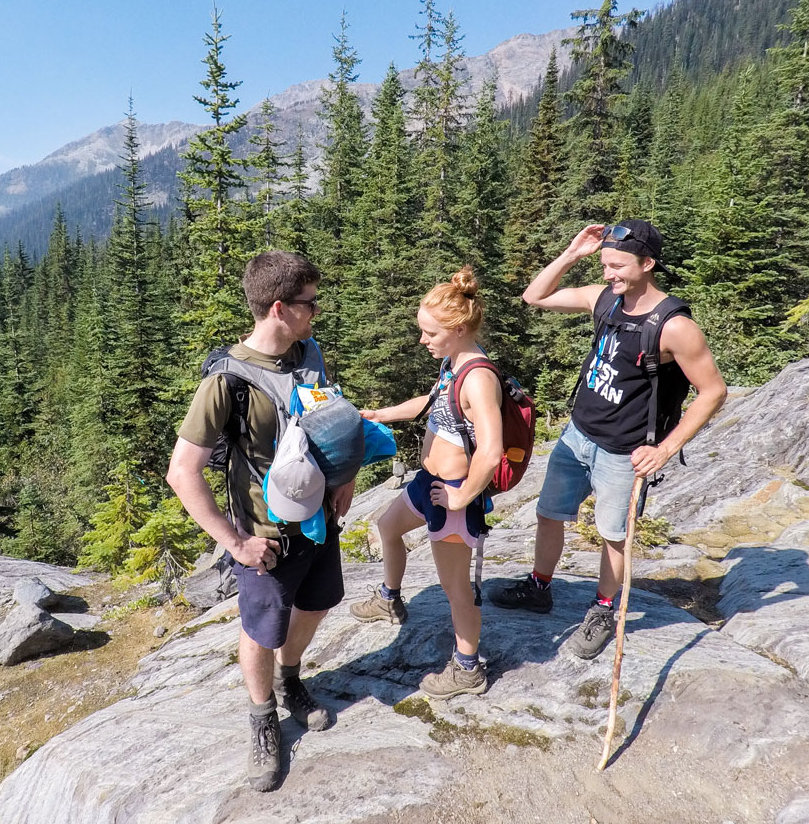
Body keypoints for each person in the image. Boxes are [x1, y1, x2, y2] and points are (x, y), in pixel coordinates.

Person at [489, 220, 727, 658]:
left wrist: (665, 449)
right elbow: (534, 296)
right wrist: (571, 254)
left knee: (614, 535)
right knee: (549, 514)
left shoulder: (673, 326)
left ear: (648, 263)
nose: (607, 274)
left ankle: (602, 610)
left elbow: (713, 391)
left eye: (616, 266)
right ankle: (539, 587)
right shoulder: (605, 301)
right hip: (578, 433)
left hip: (625, 451)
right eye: (603, 264)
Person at [166, 250, 355, 792]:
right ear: (278, 308)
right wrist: (236, 543)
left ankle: (291, 679)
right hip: (263, 538)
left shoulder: (310, 353)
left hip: (318, 523)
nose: (316, 312)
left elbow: (327, 422)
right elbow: (183, 473)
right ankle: (261, 716)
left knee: (317, 604)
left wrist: (343, 479)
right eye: (309, 303)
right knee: (260, 630)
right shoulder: (228, 382)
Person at [351, 267, 504, 700]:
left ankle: (468, 668)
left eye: (429, 332)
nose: (423, 340)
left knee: (456, 589)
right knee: (387, 526)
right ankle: (389, 597)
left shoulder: (478, 377)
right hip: (429, 482)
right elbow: (433, 402)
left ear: (456, 330)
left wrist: (461, 496)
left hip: (453, 491)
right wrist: (382, 414)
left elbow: (491, 451)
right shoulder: (451, 364)